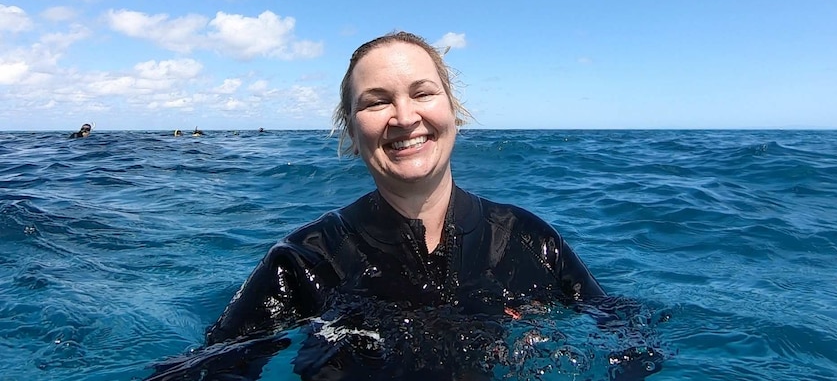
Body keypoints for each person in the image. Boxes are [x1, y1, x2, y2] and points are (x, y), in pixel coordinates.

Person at [146, 31, 662, 380]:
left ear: (452, 109)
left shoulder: (530, 241)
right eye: (376, 101)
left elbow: (627, 337)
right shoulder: (306, 261)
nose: (403, 116)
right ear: (351, 129)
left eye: (423, 93)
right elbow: (210, 366)